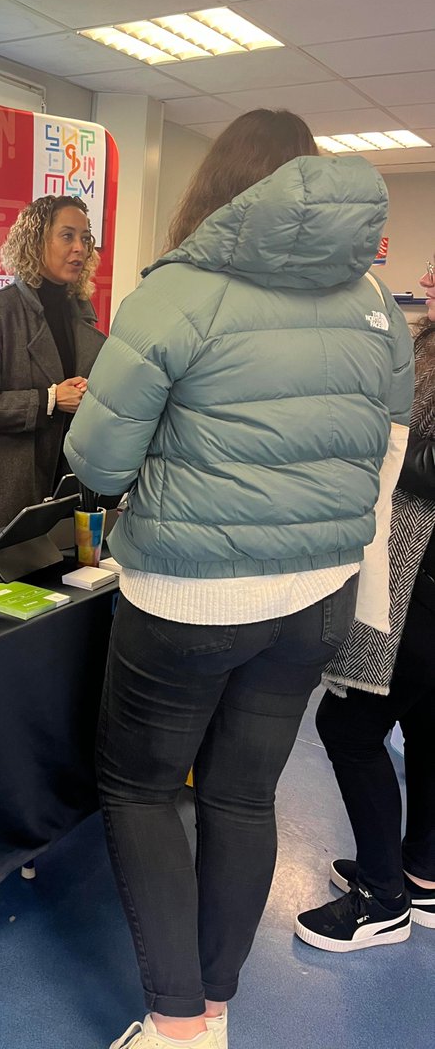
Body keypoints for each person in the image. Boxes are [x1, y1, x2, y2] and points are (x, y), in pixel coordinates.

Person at [64, 109, 414, 1049]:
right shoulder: (375, 302)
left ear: (216, 189)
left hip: (188, 594)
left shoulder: (179, 291)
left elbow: (96, 463)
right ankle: (213, 1008)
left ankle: (177, 1024)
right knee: (243, 794)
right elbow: (385, 453)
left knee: (138, 787)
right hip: (317, 598)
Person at [295, 263, 435, 951]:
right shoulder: (423, 342)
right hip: (423, 576)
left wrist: (371, 436)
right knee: (427, 718)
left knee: (347, 726)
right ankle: (422, 872)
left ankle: (383, 899)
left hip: (422, 582)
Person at [0, 194, 106, 526]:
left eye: (85, 238)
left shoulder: (81, 316)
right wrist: (50, 399)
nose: (80, 248)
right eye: (67, 236)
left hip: (65, 489)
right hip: (4, 497)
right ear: (36, 241)